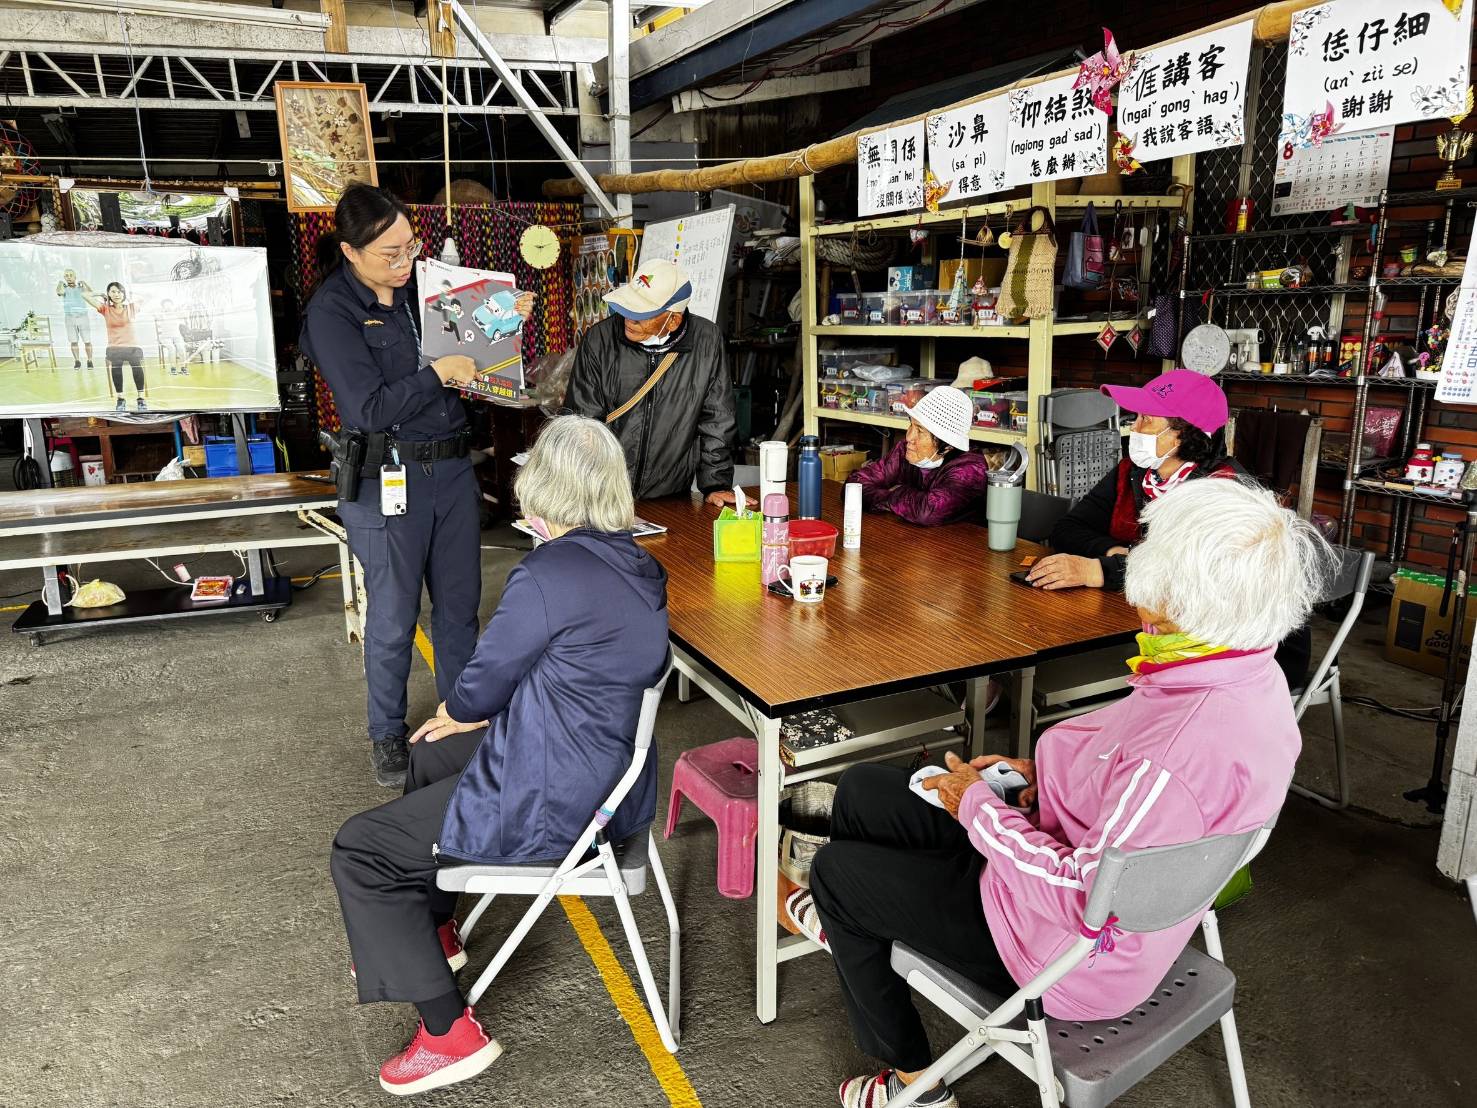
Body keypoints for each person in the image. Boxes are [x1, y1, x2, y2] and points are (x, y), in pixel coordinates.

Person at [784, 478, 1326, 1108]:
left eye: (1156, 594)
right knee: (865, 791)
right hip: (1068, 863)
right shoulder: (1244, 670)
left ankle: (913, 1084)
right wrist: (1042, 777)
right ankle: (864, 931)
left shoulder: (1180, 749)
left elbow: (1082, 894)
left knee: (841, 873)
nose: (1142, 607)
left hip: (1065, 953)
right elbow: (1134, 789)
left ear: (1187, 596)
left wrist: (978, 805)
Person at [329, 414, 669, 1098]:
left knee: (361, 850)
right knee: (428, 759)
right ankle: (435, 930)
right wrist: (454, 725)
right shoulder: (636, 558)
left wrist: (454, 713)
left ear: (540, 487)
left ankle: (449, 1032)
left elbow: (483, 685)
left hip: (562, 795)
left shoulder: (548, 572)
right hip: (609, 770)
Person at [300, 184, 530, 788]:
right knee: (395, 616)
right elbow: (368, 407)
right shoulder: (332, 312)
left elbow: (471, 348)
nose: (405, 264)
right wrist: (435, 376)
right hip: (386, 476)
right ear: (350, 251)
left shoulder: (423, 292)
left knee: (459, 609)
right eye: (390, 254)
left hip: (452, 470)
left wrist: (501, 322)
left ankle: (461, 720)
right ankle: (386, 732)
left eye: (410, 247)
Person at [1028, 368, 1313, 687]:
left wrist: (1100, 570)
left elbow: (1189, 577)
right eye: (1134, 417)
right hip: (1164, 628)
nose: (1133, 428)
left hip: (1243, 654)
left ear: (1185, 432)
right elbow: (1067, 528)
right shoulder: (1133, 473)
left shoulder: (1226, 491)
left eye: (1146, 419)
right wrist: (1115, 552)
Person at [566, 258, 737, 505]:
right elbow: (581, 421)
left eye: (640, 314)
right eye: (627, 309)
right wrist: (587, 490)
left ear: (673, 319)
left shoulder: (707, 341)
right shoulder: (599, 340)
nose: (629, 319)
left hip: (669, 495)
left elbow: (717, 419)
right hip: (603, 494)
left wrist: (716, 484)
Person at [849, 386, 988, 526]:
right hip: (910, 539)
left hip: (957, 545)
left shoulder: (970, 469)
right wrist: (895, 498)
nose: (909, 437)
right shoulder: (904, 451)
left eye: (920, 431)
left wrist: (895, 493)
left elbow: (927, 512)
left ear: (948, 446)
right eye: (911, 425)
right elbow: (854, 486)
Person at [82, 281, 148, 412]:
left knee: (136, 364)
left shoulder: (131, 308)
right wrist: (100, 294)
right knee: (116, 365)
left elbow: (146, 297)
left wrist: (130, 294)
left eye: (119, 291)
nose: (116, 294)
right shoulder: (105, 309)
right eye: (113, 291)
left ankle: (141, 398)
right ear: (109, 294)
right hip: (114, 347)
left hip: (132, 346)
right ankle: (120, 398)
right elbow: (85, 295)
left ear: (123, 293)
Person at [55, 269, 95, 369]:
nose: (68, 277)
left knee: (87, 340)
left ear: (75, 277)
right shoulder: (64, 289)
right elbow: (59, 292)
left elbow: (91, 293)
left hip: (83, 317)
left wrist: (84, 283)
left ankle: (90, 361)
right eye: (66, 275)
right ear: (64, 277)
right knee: (73, 341)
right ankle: (77, 361)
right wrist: (60, 283)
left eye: (71, 275)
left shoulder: (81, 288)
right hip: (69, 317)